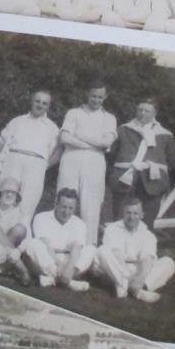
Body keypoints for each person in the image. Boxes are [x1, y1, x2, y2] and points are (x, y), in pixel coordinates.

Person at [56, 81, 117, 245]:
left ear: (105, 97)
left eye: (99, 97)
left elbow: (106, 142)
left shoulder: (109, 118)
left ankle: (88, 246)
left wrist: (79, 135)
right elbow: (64, 138)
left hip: (94, 163)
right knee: (65, 199)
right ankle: (59, 243)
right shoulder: (73, 113)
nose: (95, 100)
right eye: (93, 96)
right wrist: (91, 145)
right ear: (87, 94)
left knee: (91, 205)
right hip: (71, 158)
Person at [108, 97, 175, 228]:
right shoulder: (123, 130)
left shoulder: (165, 135)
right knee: (119, 219)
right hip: (124, 179)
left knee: (147, 222)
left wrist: (155, 168)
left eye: (147, 111)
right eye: (140, 110)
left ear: (154, 114)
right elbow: (112, 155)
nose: (142, 113)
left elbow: (173, 160)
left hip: (152, 182)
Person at [0, 91, 61, 226]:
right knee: (5, 197)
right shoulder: (17, 121)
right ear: (31, 101)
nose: (40, 105)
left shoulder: (52, 128)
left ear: (48, 106)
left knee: (27, 203)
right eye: (37, 101)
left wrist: (44, 166)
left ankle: (19, 238)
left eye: (44, 103)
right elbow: (2, 144)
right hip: (13, 161)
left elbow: (57, 152)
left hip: (36, 166)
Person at [91, 199, 175, 301]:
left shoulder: (148, 235)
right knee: (102, 250)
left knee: (168, 262)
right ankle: (136, 291)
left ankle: (133, 287)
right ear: (123, 213)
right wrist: (126, 274)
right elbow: (116, 256)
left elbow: (147, 260)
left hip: (136, 270)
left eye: (135, 213)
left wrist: (140, 279)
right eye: (128, 213)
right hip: (116, 269)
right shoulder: (112, 228)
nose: (131, 217)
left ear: (142, 215)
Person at [21, 188, 94, 290]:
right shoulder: (41, 217)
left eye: (71, 208)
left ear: (75, 208)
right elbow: (46, 246)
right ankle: (69, 282)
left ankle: (57, 279)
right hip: (49, 258)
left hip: (69, 260)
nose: (67, 212)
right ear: (56, 204)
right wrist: (58, 264)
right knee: (34, 243)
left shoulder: (79, 223)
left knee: (90, 249)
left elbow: (76, 249)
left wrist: (68, 267)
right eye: (64, 207)